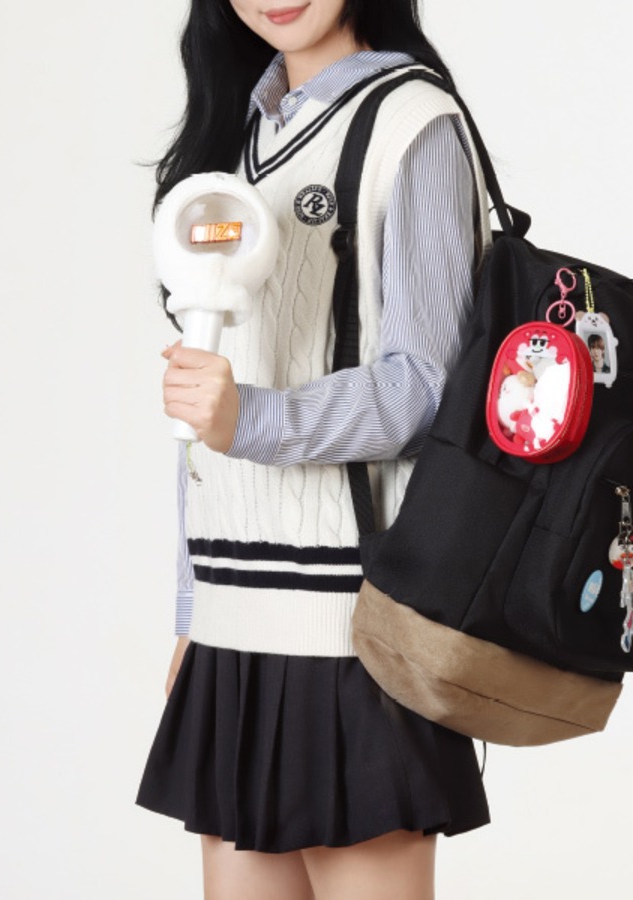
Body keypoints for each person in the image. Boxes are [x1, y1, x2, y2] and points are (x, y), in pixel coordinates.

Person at [136, 2, 492, 897]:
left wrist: (251, 418)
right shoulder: (235, 135)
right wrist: (191, 610)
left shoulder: (413, 123)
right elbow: (207, 405)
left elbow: (423, 387)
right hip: (233, 620)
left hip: (353, 627)